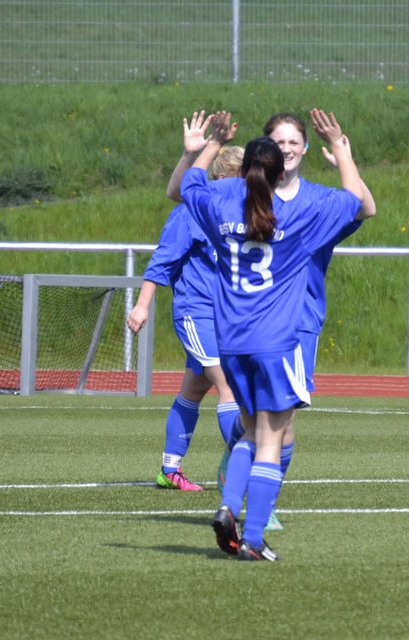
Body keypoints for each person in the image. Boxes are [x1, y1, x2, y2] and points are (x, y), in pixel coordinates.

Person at [181, 109, 375, 561]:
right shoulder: (304, 217)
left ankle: (230, 505)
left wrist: (207, 147)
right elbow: (359, 202)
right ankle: (253, 538)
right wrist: (342, 150)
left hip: (232, 341)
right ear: (276, 162)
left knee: (252, 434)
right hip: (278, 341)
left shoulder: (224, 204)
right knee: (274, 438)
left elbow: (187, 187)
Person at [126, 141, 246, 491]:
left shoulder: (237, 214)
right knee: (229, 387)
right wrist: (142, 304)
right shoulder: (192, 211)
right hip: (196, 312)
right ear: (221, 177)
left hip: (227, 316)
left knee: (193, 391)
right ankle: (241, 473)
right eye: (242, 179)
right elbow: (164, 258)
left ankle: (169, 469)